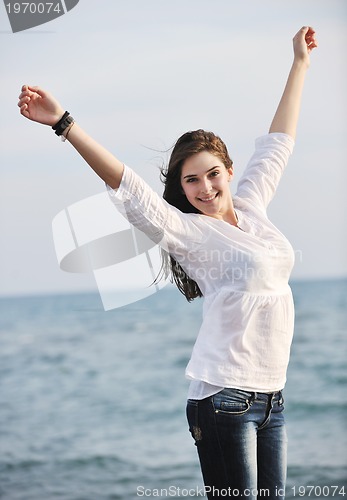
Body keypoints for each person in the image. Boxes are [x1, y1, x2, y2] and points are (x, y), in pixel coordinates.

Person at [18, 26, 317, 499]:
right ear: (184, 187)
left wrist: (299, 63)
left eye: (213, 174)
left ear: (229, 171)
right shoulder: (192, 233)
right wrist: (64, 124)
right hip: (224, 400)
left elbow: (279, 142)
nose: (206, 188)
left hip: (272, 400)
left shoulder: (254, 208)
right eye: (192, 181)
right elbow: (132, 191)